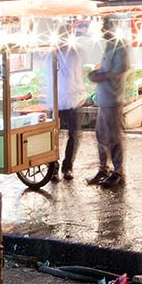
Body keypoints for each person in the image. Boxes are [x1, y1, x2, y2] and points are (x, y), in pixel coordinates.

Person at [86, 17, 129, 189]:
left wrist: (99, 76)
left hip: (112, 99)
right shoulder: (109, 46)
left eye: (105, 26)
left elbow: (120, 69)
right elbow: (108, 69)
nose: (103, 29)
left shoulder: (119, 46)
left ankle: (118, 171)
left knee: (113, 137)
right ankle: (103, 169)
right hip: (104, 99)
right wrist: (97, 73)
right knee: (101, 135)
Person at [54, 32, 84, 181]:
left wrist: (80, 92)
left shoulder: (75, 54)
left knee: (74, 134)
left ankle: (68, 167)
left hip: (73, 99)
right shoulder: (52, 54)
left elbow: (78, 75)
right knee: (53, 135)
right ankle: (52, 167)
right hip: (56, 100)